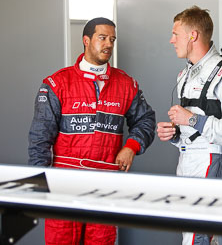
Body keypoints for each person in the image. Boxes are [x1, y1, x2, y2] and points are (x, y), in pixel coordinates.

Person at [28, 17, 156, 245]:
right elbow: (40, 138)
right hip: (63, 185)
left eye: (112, 39)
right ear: (86, 40)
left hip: (105, 186)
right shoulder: (57, 83)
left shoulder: (127, 84)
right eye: (102, 38)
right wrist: (39, 186)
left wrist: (131, 146)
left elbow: (146, 119)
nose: (108, 44)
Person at [157, 6, 222, 245]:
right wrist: (175, 134)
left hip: (213, 161)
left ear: (193, 35)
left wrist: (191, 119)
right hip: (187, 160)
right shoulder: (185, 75)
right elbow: (194, 130)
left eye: (175, 34)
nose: (171, 40)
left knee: (198, 237)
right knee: (194, 236)